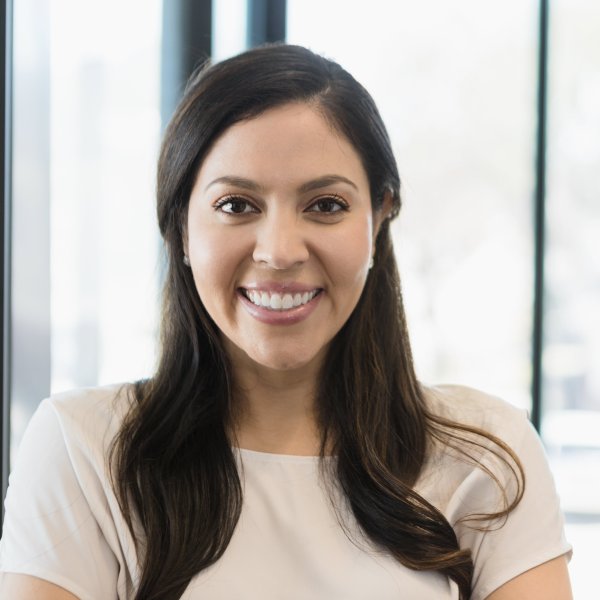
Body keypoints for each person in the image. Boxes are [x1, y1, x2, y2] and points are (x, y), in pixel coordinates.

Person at [0, 44, 572, 600]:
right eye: (236, 205)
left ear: (379, 217)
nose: (278, 251)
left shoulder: (486, 457)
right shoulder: (85, 453)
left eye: (325, 205)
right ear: (180, 228)